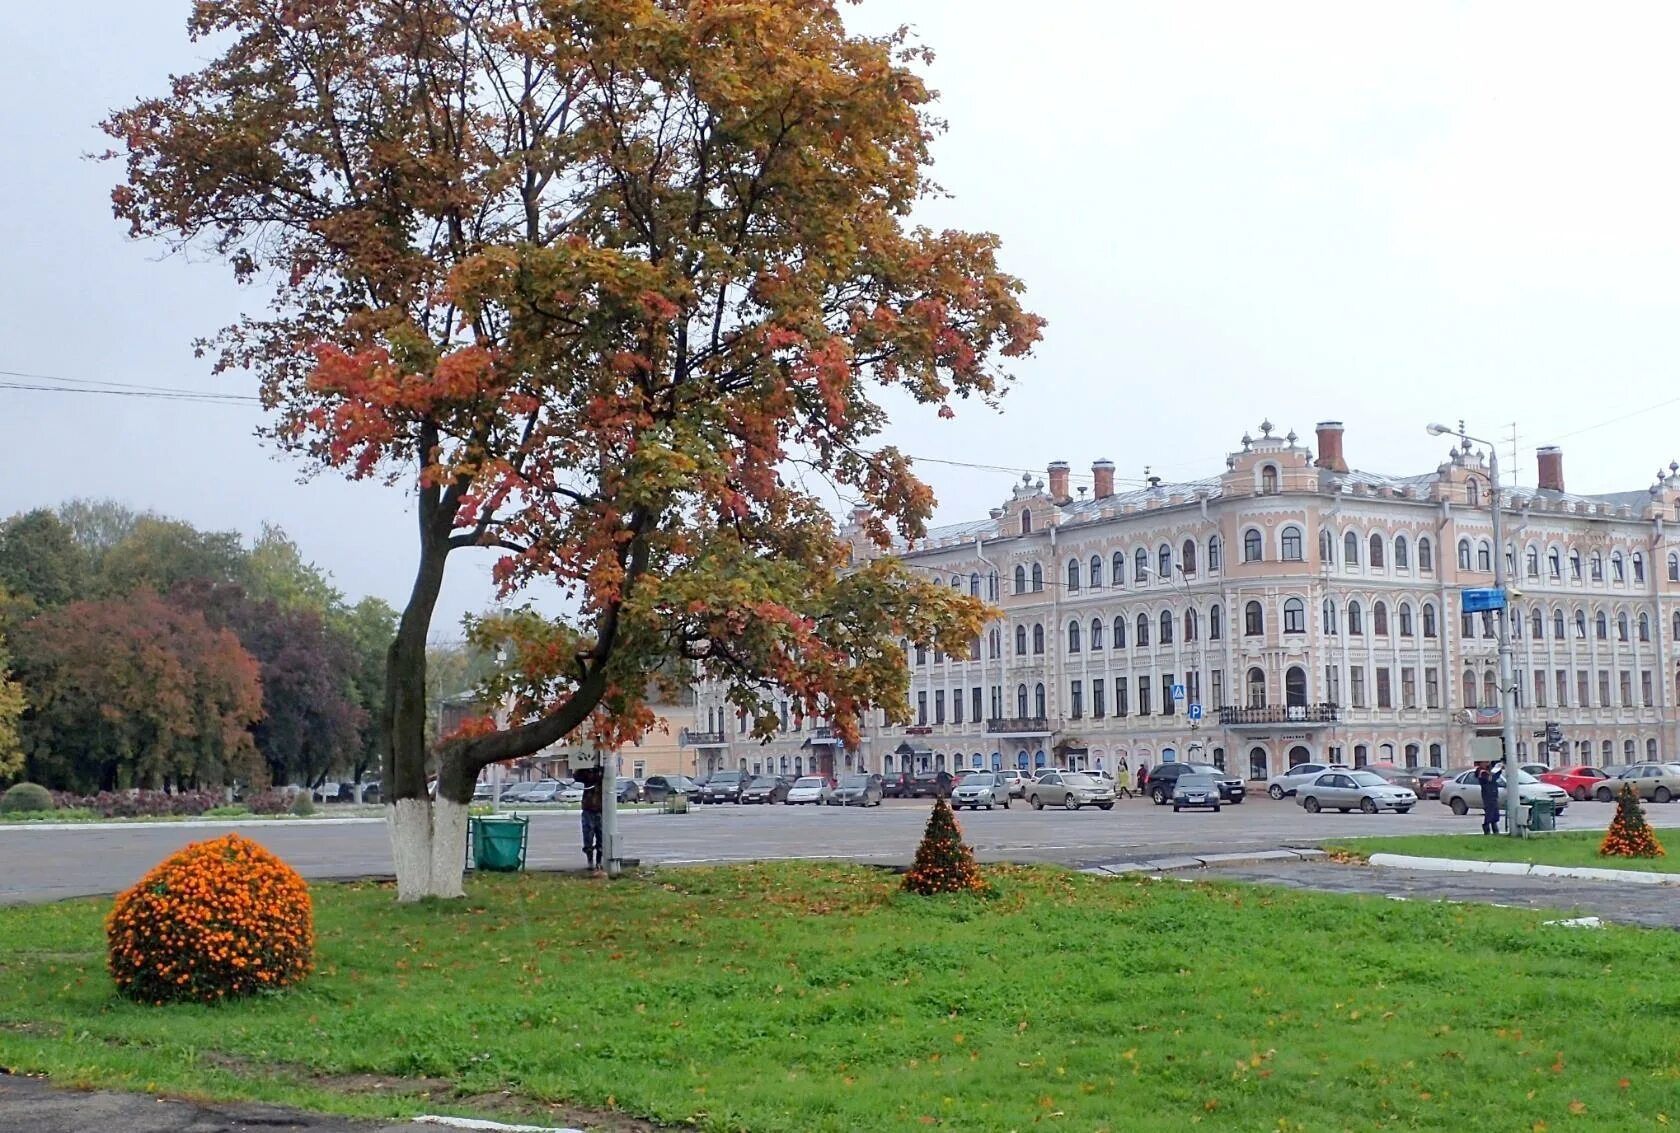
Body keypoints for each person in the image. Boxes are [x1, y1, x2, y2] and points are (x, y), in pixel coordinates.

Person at [576, 765, 605, 870]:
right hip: (588, 809)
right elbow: (576, 776)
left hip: (601, 809)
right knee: (588, 836)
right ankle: (590, 861)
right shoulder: (587, 773)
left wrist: (601, 770)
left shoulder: (604, 772)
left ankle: (598, 862)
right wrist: (585, 766)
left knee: (601, 837)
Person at [1476, 759, 1504, 835]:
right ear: (1481, 763)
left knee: (1495, 811)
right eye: (1485, 762)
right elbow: (1490, 779)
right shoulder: (1481, 771)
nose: (1487, 764)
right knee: (1489, 811)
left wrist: (1498, 769)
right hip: (1487, 794)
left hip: (1493, 793)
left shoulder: (1488, 770)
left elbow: (1495, 778)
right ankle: (1487, 828)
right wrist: (1495, 772)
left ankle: (1494, 827)